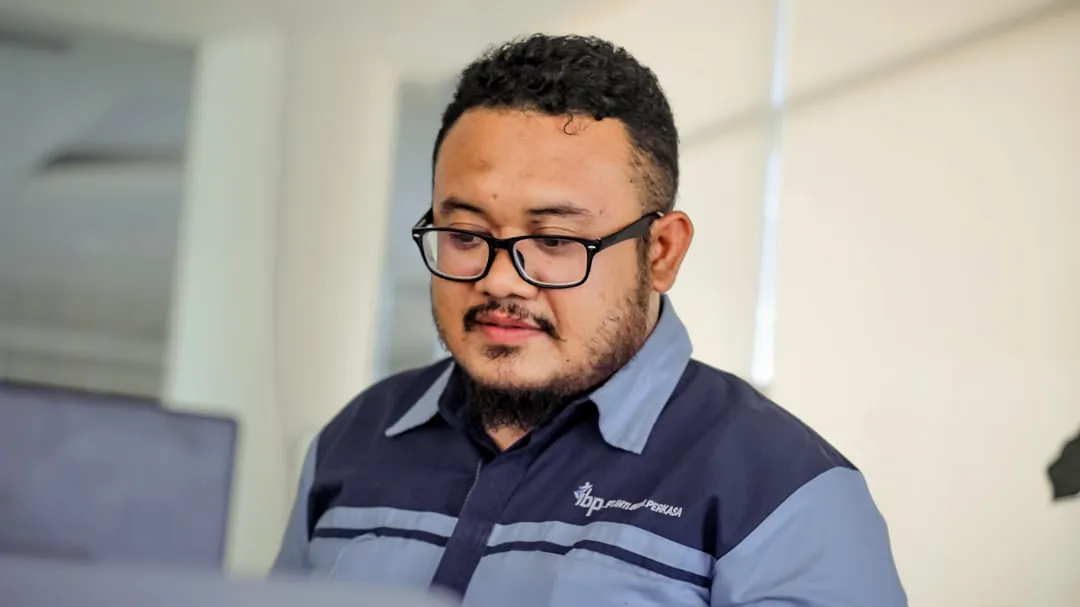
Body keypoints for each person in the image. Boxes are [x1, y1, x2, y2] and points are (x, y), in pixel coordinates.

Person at [272, 34, 907, 606]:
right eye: (465, 234)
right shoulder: (353, 440)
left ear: (661, 252)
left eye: (553, 240)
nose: (498, 279)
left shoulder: (786, 494)